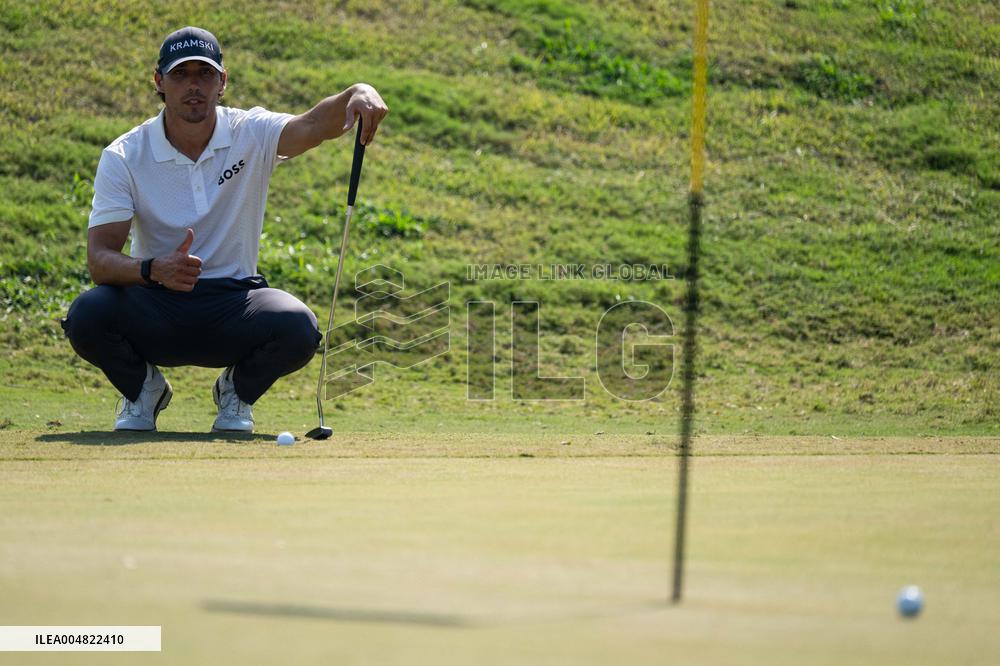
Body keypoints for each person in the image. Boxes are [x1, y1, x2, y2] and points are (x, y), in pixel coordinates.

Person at [61, 26, 389, 433]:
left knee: (298, 327)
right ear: (159, 81)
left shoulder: (250, 131)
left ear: (223, 82)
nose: (193, 86)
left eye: (205, 74)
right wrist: (152, 269)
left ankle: (236, 392)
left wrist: (356, 90)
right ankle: (143, 391)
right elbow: (100, 260)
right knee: (87, 316)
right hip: (156, 303)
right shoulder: (125, 155)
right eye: (180, 75)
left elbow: (312, 125)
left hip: (234, 304)